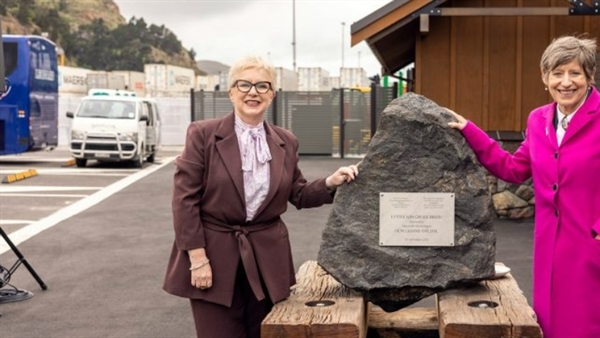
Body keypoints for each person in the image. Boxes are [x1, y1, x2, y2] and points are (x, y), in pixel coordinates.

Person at [162, 55, 358, 338]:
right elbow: (184, 202)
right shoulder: (202, 134)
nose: (253, 92)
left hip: (267, 262)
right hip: (213, 259)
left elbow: (299, 193)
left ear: (272, 95)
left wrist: (331, 182)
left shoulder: (285, 141)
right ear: (231, 92)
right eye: (244, 85)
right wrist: (198, 259)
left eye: (262, 86)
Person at [447, 35, 600, 338]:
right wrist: (469, 130)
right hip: (549, 248)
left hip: (590, 244)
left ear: (589, 76)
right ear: (545, 77)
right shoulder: (538, 119)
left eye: (575, 73)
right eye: (557, 73)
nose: (566, 82)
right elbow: (513, 168)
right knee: (551, 324)